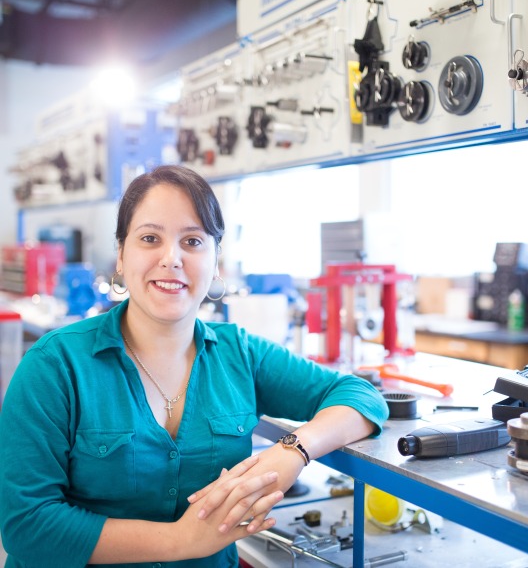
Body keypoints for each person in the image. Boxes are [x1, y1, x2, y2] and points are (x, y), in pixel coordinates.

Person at [0, 164, 389, 567]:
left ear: (216, 260)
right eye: (150, 238)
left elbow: (361, 396)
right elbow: (27, 524)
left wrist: (292, 452)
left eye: (193, 241)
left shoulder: (240, 355)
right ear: (120, 255)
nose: (171, 259)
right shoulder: (55, 365)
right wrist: (179, 540)